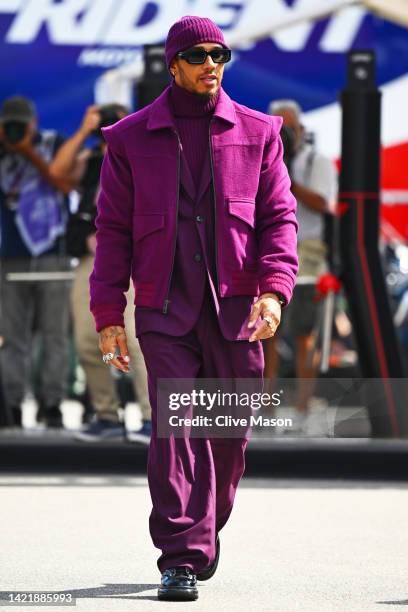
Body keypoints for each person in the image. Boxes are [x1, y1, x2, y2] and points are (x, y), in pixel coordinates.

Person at [89, 16, 298, 602]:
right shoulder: (128, 139)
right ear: (173, 64)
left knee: (227, 438)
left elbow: (280, 218)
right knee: (176, 428)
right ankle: (180, 555)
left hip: (238, 309)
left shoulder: (259, 132)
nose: (212, 64)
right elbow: (112, 231)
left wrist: (273, 290)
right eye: (199, 55)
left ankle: (205, 524)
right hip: (163, 310)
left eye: (220, 54)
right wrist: (109, 313)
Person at [49, 104, 152, 443]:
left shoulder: (148, 157)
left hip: (135, 259)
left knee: (137, 338)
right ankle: (105, 414)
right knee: (87, 340)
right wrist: (83, 132)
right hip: (93, 260)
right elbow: (58, 173)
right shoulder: (93, 161)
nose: (111, 135)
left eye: (118, 127)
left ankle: (154, 418)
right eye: (105, 129)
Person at [264, 99, 337, 434]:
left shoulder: (316, 161)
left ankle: (303, 409)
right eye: (277, 129)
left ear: (301, 130)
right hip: (270, 251)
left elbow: (323, 203)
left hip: (306, 252)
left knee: (303, 334)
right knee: (266, 335)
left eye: (288, 129)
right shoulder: (261, 161)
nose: (284, 136)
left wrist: (285, 178)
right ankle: (266, 409)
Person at [0, 96, 71, 429]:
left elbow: (64, 182)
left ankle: (52, 403)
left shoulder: (51, 142)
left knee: (54, 334)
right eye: (9, 124)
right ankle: (11, 405)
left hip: (52, 253)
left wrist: (28, 151)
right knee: (13, 337)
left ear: (33, 123)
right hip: (9, 256)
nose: (15, 130)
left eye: (21, 124)